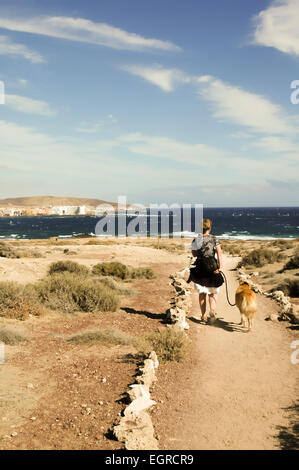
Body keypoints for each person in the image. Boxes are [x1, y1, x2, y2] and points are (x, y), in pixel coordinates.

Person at [191, 218, 223, 323]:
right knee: (212, 293)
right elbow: (219, 253)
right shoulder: (214, 239)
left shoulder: (196, 239)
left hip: (200, 267)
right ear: (209, 227)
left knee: (202, 293)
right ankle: (212, 311)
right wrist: (219, 267)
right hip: (212, 267)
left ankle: (203, 315)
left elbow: (194, 254)